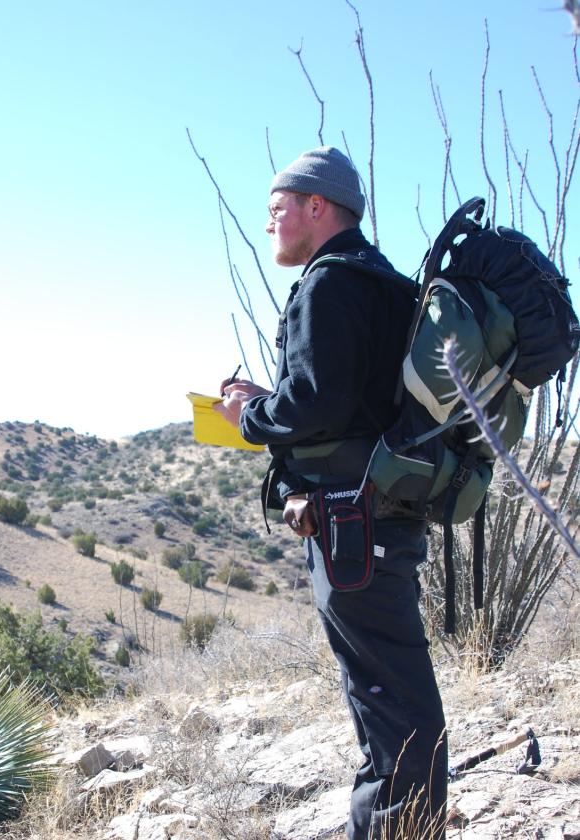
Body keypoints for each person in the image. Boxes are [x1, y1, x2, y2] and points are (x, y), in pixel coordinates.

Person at [216, 147, 448, 840]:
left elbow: (315, 404)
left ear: (318, 206)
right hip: (380, 517)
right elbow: (346, 399)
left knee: (389, 702)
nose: (270, 225)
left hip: (350, 527)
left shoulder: (329, 283)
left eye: (277, 209)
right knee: (393, 693)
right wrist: (277, 398)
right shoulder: (384, 282)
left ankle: (393, 829)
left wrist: (249, 417)